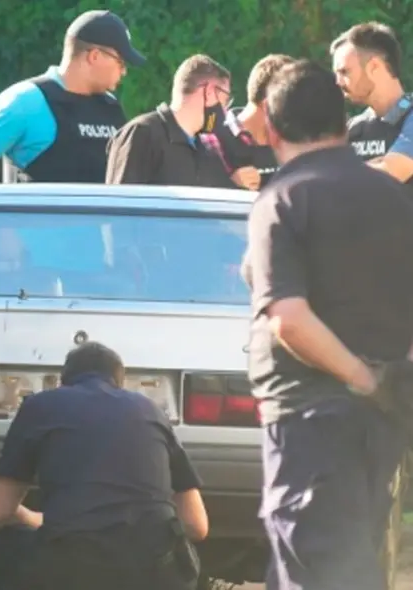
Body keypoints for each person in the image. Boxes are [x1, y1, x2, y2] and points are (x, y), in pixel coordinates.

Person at [242, 59, 413, 589]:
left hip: (311, 422)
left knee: (322, 570)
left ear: (272, 129)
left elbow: (289, 319)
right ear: (343, 123)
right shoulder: (391, 196)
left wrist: (363, 378)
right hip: (381, 425)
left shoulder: (283, 198)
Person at [0, 341, 208, 589]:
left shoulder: (39, 406)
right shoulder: (151, 411)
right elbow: (197, 526)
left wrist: (38, 519)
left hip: (74, 568)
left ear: (63, 382)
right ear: (120, 382)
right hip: (156, 572)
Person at [0, 10, 142, 184]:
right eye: (121, 62)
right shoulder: (28, 100)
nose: (124, 72)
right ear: (95, 56)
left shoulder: (109, 105)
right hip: (38, 216)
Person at [105, 54, 236, 188]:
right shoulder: (141, 133)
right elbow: (120, 199)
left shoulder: (204, 149)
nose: (225, 110)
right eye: (226, 99)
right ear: (209, 92)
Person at [330, 22, 413, 186]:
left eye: (344, 72)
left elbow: (390, 173)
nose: (338, 82)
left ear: (374, 67)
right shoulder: (354, 127)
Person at [199, 54, 294, 190]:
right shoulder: (212, 141)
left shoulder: (292, 143)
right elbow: (196, 195)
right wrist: (231, 184)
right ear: (269, 105)